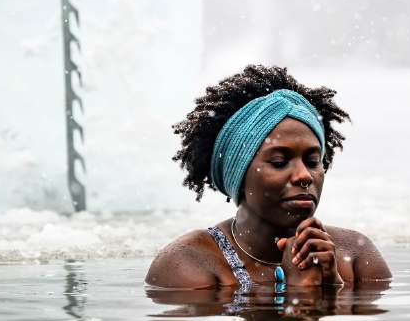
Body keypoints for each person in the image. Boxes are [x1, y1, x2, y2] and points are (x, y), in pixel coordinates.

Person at [145, 64, 392, 290]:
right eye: (279, 162)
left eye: (313, 161)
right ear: (239, 177)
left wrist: (331, 285)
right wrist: (300, 295)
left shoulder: (356, 256)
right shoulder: (189, 265)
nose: (304, 175)